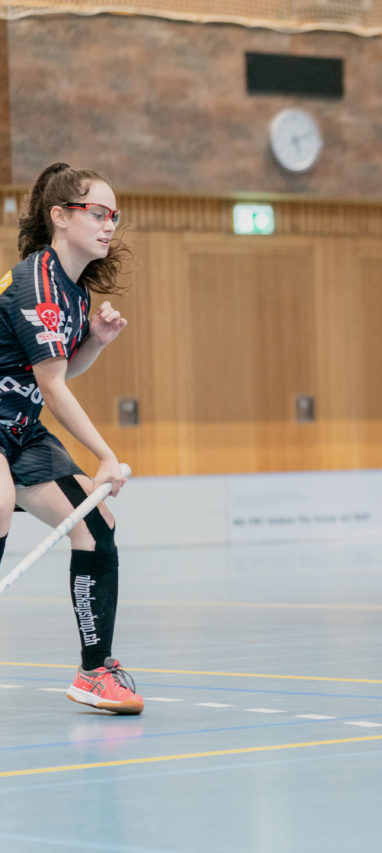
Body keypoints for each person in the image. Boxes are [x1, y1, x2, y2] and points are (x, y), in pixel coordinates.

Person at [3, 163, 137, 713]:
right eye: (98, 213)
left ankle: (94, 671)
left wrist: (96, 343)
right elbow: (52, 386)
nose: (110, 225)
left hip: (19, 428)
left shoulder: (73, 293)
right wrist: (105, 455)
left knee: (96, 522)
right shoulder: (35, 282)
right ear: (60, 217)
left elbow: (57, 370)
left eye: (114, 215)